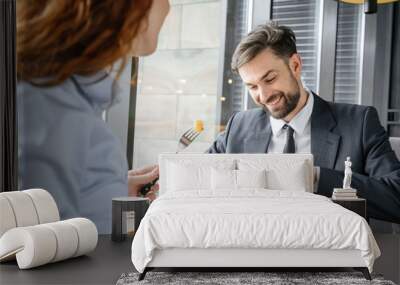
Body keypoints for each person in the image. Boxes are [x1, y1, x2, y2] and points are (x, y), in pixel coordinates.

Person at [207, 22, 400, 223]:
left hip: (326, 249)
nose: (263, 96)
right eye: (252, 86)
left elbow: (396, 198)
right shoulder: (239, 126)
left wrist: (315, 177)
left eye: (270, 79)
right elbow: (196, 178)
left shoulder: (359, 123)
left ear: (295, 65)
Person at [17, 0, 170, 233]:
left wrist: (109, 187)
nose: (168, 8)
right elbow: (32, 250)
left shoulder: (56, 98)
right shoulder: (47, 110)